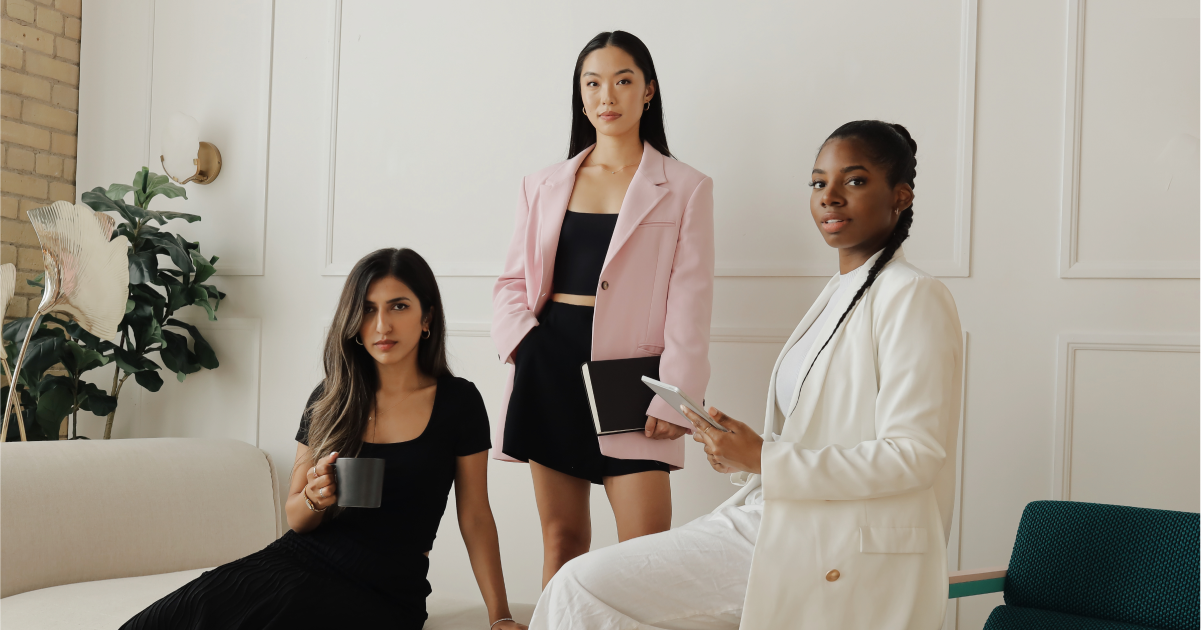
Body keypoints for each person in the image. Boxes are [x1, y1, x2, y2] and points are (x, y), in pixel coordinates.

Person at [529, 121, 963, 630]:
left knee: (580, 587)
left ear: (900, 196)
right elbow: (816, 433)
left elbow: (914, 456)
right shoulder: (840, 292)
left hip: (840, 537)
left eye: (855, 180)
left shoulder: (912, 295)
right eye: (818, 183)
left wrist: (763, 457)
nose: (830, 196)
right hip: (780, 513)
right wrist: (741, 452)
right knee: (579, 587)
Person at [124, 248, 526, 630]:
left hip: (385, 589)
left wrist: (500, 617)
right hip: (296, 561)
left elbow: (475, 516)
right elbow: (296, 518)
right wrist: (316, 496)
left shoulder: (458, 402)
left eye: (399, 306)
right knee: (161, 621)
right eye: (367, 309)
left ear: (427, 318)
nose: (382, 326)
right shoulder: (330, 397)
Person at [491, 30, 715, 587]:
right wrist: (525, 344)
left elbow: (690, 301)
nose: (606, 96)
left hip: (633, 376)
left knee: (646, 551)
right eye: (592, 83)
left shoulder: (685, 187)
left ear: (648, 91)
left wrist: (676, 396)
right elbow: (512, 282)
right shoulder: (542, 184)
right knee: (562, 541)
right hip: (549, 362)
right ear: (580, 93)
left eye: (622, 80)